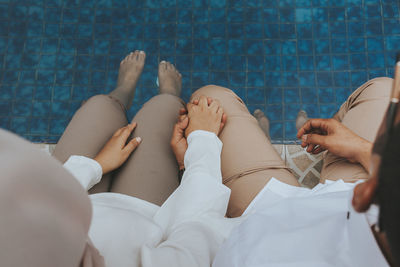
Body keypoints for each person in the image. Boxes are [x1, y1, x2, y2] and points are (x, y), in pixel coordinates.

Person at [0, 51, 243, 267]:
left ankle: (123, 91)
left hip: (71, 196)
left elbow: (39, 203)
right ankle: (167, 94)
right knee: (164, 107)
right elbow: (196, 231)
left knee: (99, 105)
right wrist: (201, 140)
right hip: (144, 214)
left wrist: (95, 166)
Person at [213, 77, 396, 266]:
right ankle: (314, 133)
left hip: (261, 218)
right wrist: (362, 149)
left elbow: (194, 234)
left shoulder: (242, 258)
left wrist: (199, 145)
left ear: (365, 193)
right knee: (382, 87)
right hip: (343, 198)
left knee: (213, 99)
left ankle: (264, 136)